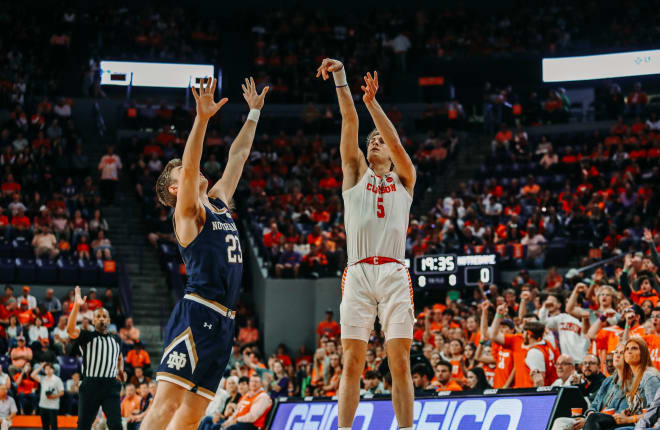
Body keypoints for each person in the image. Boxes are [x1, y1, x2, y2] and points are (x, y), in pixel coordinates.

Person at [142, 76, 268, 430]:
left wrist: (254, 114)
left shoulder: (217, 203)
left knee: (193, 413)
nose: (195, 168)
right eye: (186, 169)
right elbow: (191, 156)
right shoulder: (187, 214)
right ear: (174, 186)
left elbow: (239, 156)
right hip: (197, 314)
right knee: (166, 405)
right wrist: (201, 119)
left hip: (225, 322)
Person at [316, 58, 416, 430]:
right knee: (352, 360)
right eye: (371, 141)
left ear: (389, 152)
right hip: (357, 272)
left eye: (380, 141)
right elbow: (349, 123)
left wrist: (374, 104)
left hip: (393, 271)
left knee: (399, 361)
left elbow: (393, 139)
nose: (375, 142)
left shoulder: (405, 177)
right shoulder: (355, 173)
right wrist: (342, 79)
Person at [68, 286, 125, 430]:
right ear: (93, 321)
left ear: (109, 320)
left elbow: (119, 356)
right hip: (90, 386)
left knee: (116, 425)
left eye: (104, 316)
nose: (101, 319)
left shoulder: (116, 339)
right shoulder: (86, 336)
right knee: (83, 426)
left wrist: (120, 370)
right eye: (98, 316)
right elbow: (70, 330)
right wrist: (76, 306)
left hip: (111, 385)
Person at [551, 345, 627, 430]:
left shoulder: (627, 382)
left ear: (599, 367)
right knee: (560, 421)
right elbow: (594, 404)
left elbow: (621, 414)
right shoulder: (608, 381)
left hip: (606, 422)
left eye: (591, 363)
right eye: (616, 352)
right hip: (591, 419)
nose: (587, 366)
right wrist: (590, 413)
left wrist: (589, 419)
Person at [31, 362, 64, 430]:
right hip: (43, 405)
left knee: (54, 426)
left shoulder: (57, 379)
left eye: (49, 368)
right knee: (45, 427)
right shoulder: (43, 378)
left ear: (53, 370)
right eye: (46, 369)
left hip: (53, 406)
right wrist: (41, 366)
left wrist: (54, 396)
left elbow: (62, 392)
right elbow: (32, 375)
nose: (48, 370)